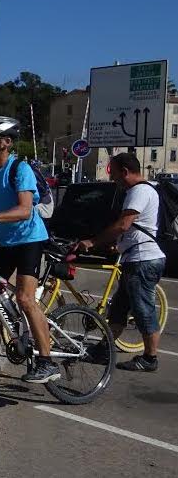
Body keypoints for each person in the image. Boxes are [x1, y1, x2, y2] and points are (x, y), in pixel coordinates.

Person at [0, 116, 57, 383]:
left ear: (6, 143)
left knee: (25, 299)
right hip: (6, 242)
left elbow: (23, 210)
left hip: (30, 240)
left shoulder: (19, 168)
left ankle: (46, 361)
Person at [77, 153, 165, 371]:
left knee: (143, 310)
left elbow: (123, 224)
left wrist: (93, 241)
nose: (115, 180)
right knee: (118, 309)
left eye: (115, 175)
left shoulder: (140, 191)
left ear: (125, 172)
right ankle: (103, 350)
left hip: (143, 260)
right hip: (135, 258)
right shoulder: (138, 192)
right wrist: (119, 244)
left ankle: (150, 358)